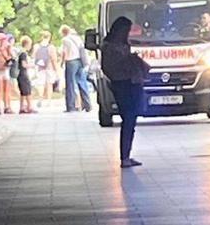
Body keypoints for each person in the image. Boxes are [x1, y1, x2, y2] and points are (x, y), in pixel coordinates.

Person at [102, 16, 150, 168]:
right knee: (128, 119)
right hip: (123, 84)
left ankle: (126, 155)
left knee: (131, 120)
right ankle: (124, 156)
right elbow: (110, 67)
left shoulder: (121, 45)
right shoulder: (111, 47)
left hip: (130, 82)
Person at [60, 25, 92, 112]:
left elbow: (64, 52)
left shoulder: (65, 40)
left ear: (63, 32)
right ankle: (87, 105)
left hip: (71, 61)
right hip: (80, 61)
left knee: (70, 84)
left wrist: (62, 62)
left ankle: (71, 106)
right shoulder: (77, 38)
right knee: (82, 82)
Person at [34, 30, 58, 107]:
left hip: (40, 67)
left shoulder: (36, 46)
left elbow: (34, 57)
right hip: (49, 67)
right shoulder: (51, 47)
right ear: (49, 37)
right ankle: (48, 100)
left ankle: (40, 97)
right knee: (49, 84)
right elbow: (54, 59)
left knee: (41, 83)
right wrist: (56, 69)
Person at [0, 32, 13, 114]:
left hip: (5, 69)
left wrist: (8, 50)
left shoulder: (7, 48)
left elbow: (11, 57)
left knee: (6, 89)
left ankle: (7, 106)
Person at [16, 35, 36, 114]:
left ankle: (22, 107)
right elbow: (23, 64)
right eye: (30, 44)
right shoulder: (23, 53)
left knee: (23, 92)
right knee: (27, 91)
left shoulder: (20, 52)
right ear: (27, 44)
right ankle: (29, 107)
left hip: (19, 74)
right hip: (23, 73)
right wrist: (32, 65)